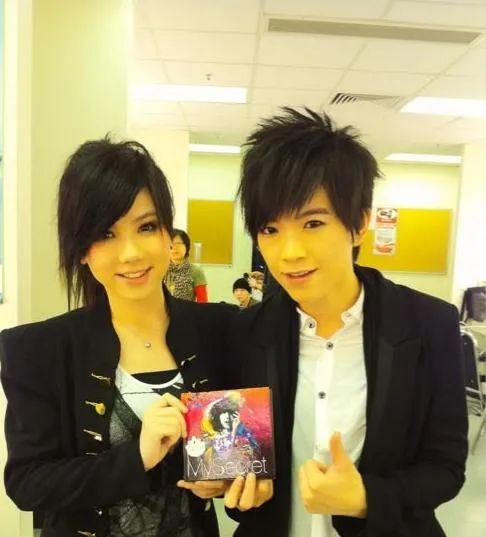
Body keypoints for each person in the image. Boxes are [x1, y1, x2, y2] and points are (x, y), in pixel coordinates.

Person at [0, 138, 269, 537]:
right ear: (81, 249)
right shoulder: (39, 348)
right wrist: (136, 457)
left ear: (168, 235)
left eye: (146, 227)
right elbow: (28, 483)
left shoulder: (221, 330)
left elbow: (242, 458)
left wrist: (236, 483)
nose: (130, 253)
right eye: (106, 234)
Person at [226, 107, 468, 536]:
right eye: (270, 230)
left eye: (313, 223)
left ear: (359, 223)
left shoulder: (428, 324)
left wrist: (367, 499)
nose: (289, 252)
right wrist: (235, 486)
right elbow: (239, 462)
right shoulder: (246, 332)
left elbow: (445, 467)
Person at [165, 228, 208, 302]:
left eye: (179, 243)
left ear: (186, 246)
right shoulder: (161, 270)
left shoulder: (196, 271)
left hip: (187, 309)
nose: (175, 247)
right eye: (171, 244)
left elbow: (203, 302)